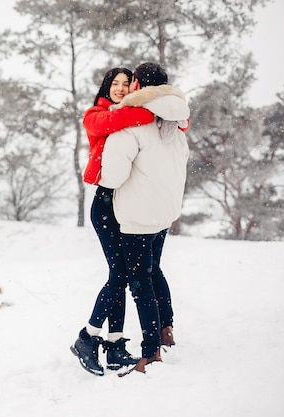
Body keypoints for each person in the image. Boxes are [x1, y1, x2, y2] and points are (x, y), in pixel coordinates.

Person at [100, 62, 190, 374]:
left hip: (138, 217)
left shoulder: (130, 125)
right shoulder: (176, 123)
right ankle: (166, 329)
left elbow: (111, 177)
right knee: (153, 271)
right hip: (164, 214)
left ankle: (150, 353)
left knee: (139, 282)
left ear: (137, 85)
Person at [70, 68, 155, 376]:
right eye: (114, 84)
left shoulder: (131, 112)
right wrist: (147, 111)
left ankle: (115, 344)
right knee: (120, 275)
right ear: (106, 88)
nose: (119, 89)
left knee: (119, 275)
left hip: (126, 203)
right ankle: (88, 337)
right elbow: (115, 121)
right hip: (105, 204)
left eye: (125, 84)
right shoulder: (96, 114)